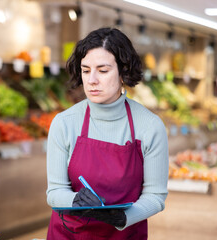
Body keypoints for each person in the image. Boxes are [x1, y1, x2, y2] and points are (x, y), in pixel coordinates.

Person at [46, 27, 169, 239]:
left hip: (125, 235)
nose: (92, 80)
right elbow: (54, 192)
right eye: (86, 70)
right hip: (70, 234)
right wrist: (74, 200)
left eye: (103, 71)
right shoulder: (64, 123)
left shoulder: (150, 126)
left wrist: (123, 217)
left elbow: (155, 196)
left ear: (124, 73)